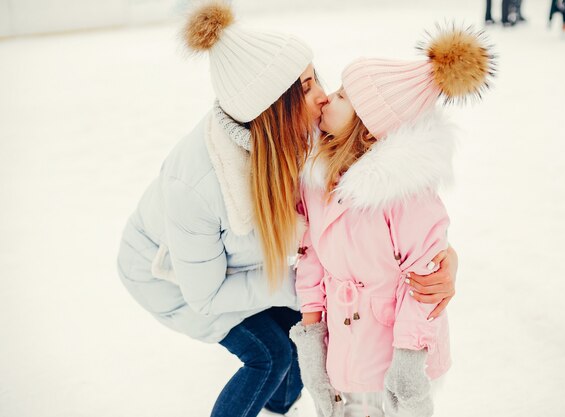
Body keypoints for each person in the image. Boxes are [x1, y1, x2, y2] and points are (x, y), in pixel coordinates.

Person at [116, 2, 459, 417]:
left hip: (253, 268)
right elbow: (205, 294)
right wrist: (310, 291)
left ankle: (282, 405)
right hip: (169, 275)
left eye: (319, 80)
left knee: (301, 331)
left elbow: (387, 208)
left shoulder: (310, 131)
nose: (322, 96)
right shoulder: (196, 187)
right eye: (308, 85)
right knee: (273, 354)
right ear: (276, 107)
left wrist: (443, 261)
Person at [289, 27, 494, 417]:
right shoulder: (317, 176)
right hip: (342, 353)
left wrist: (408, 364)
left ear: (366, 126)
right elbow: (311, 254)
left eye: (343, 96)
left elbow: (424, 279)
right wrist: (312, 337)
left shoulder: (406, 196)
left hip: (391, 365)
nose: (327, 97)